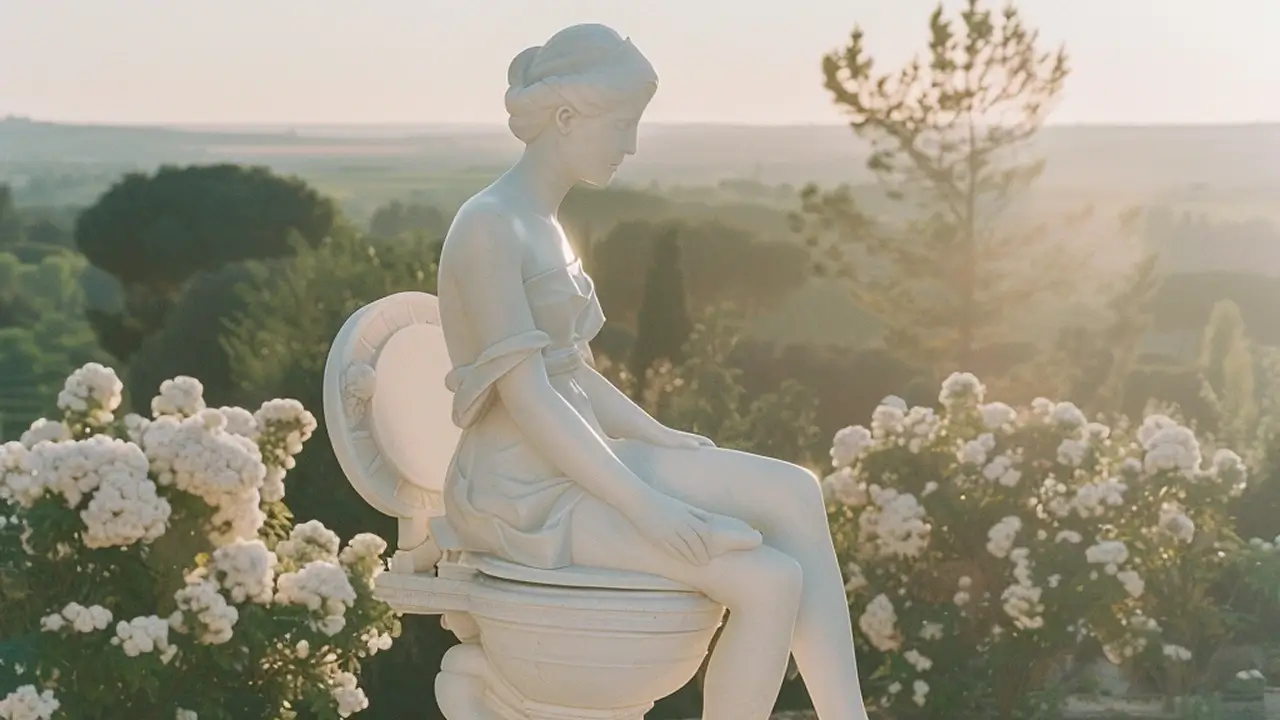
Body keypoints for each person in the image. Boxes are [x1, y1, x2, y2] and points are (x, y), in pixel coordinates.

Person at [434, 23, 871, 720]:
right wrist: (650, 507)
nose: (632, 145)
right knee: (768, 581)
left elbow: (572, 371)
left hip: (583, 457)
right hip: (520, 490)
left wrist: (659, 437)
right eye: (623, 124)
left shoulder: (546, 224)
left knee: (793, 491)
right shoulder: (489, 224)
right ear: (567, 117)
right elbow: (530, 398)